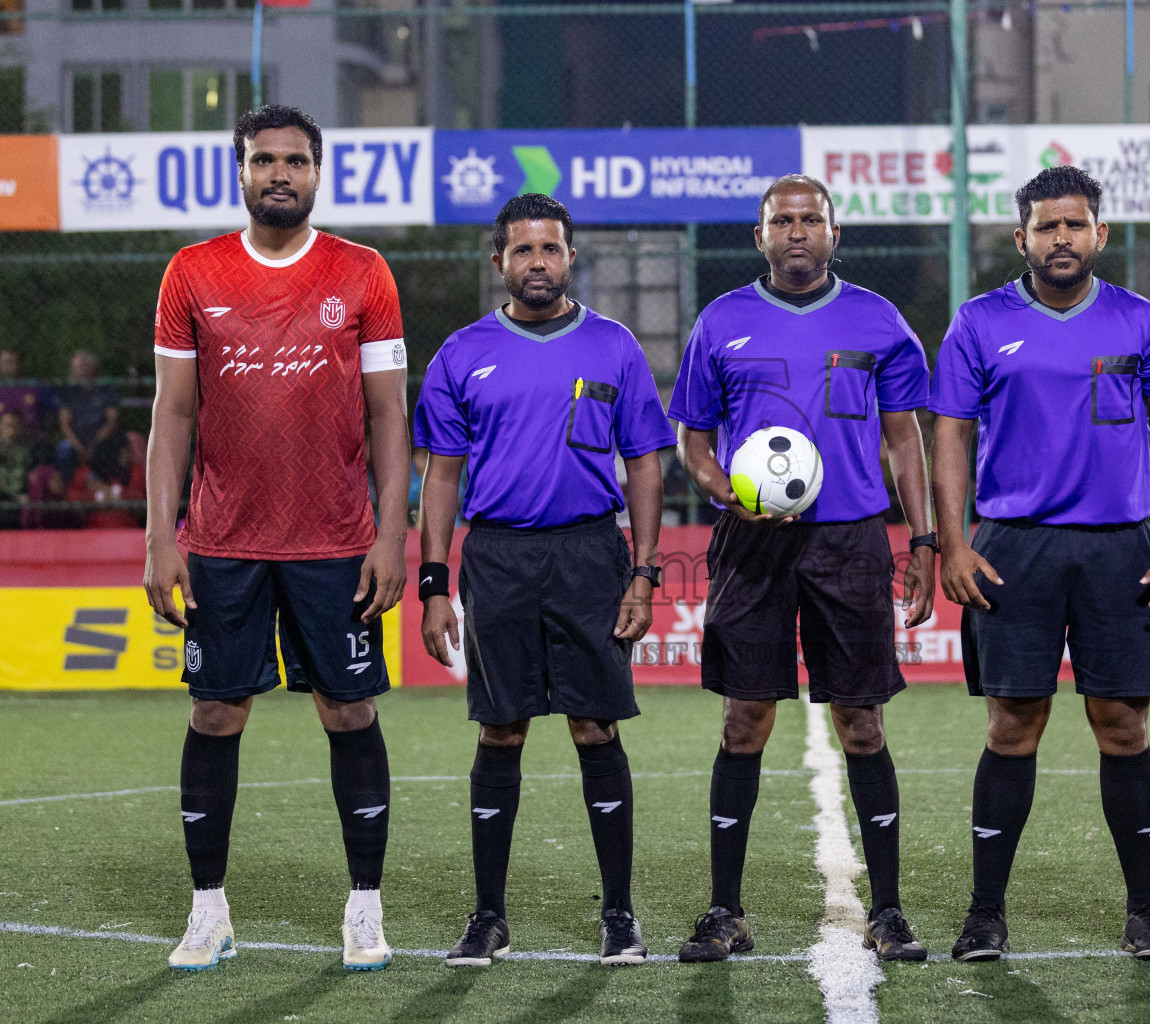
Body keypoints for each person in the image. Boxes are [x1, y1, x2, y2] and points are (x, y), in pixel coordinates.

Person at [143, 104, 411, 972]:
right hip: (222, 540)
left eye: (296, 160)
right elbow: (172, 413)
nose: (281, 174)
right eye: (265, 160)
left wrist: (390, 531)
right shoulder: (192, 271)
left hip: (335, 540)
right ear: (243, 171)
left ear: (318, 173)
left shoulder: (363, 272)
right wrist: (161, 534)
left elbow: (388, 415)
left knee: (350, 708)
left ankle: (364, 908)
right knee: (216, 711)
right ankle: (208, 912)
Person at [930, 165, 1150, 964]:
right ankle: (985, 914)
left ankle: (1147, 914)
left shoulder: (1143, 322)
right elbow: (950, 435)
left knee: (1123, 725)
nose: (1061, 239)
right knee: (1014, 725)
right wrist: (953, 541)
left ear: (1099, 234)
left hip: (1122, 547)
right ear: (1021, 239)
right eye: (1046, 227)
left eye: (1075, 225)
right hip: (1014, 545)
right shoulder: (978, 323)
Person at [670, 174, 936, 963]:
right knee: (744, 720)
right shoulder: (721, 321)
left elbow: (906, 438)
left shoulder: (878, 320)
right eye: (781, 220)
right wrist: (723, 491)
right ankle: (724, 911)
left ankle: (886, 912)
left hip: (850, 540)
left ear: (833, 232)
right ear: (760, 236)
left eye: (810, 219)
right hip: (752, 543)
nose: (796, 232)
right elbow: (694, 442)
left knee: (861, 723)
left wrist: (923, 540)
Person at [415, 193, 673, 968]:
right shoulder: (461, 353)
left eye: (550, 249)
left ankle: (620, 915)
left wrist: (645, 572)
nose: (538, 263)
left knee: (596, 726)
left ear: (569, 257)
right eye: (522, 250)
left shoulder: (615, 345)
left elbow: (644, 465)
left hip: (590, 555)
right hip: (497, 559)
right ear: (499, 261)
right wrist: (434, 581)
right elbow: (440, 477)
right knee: (501, 729)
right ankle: (488, 915)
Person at [55, 350, 119, 480]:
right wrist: (79, 448)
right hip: (76, 438)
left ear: (90, 367)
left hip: (100, 438)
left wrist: (93, 445)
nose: (72, 371)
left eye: (77, 367)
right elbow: (65, 424)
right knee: (64, 450)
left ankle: (107, 487)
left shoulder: (106, 389)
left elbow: (111, 422)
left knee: (109, 448)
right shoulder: (68, 391)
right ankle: (66, 492)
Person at [0, 350, 56, 432]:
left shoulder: (36, 386)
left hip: (33, 436)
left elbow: (56, 411)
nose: (12, 364)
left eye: (14, 360)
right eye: (7, 361)